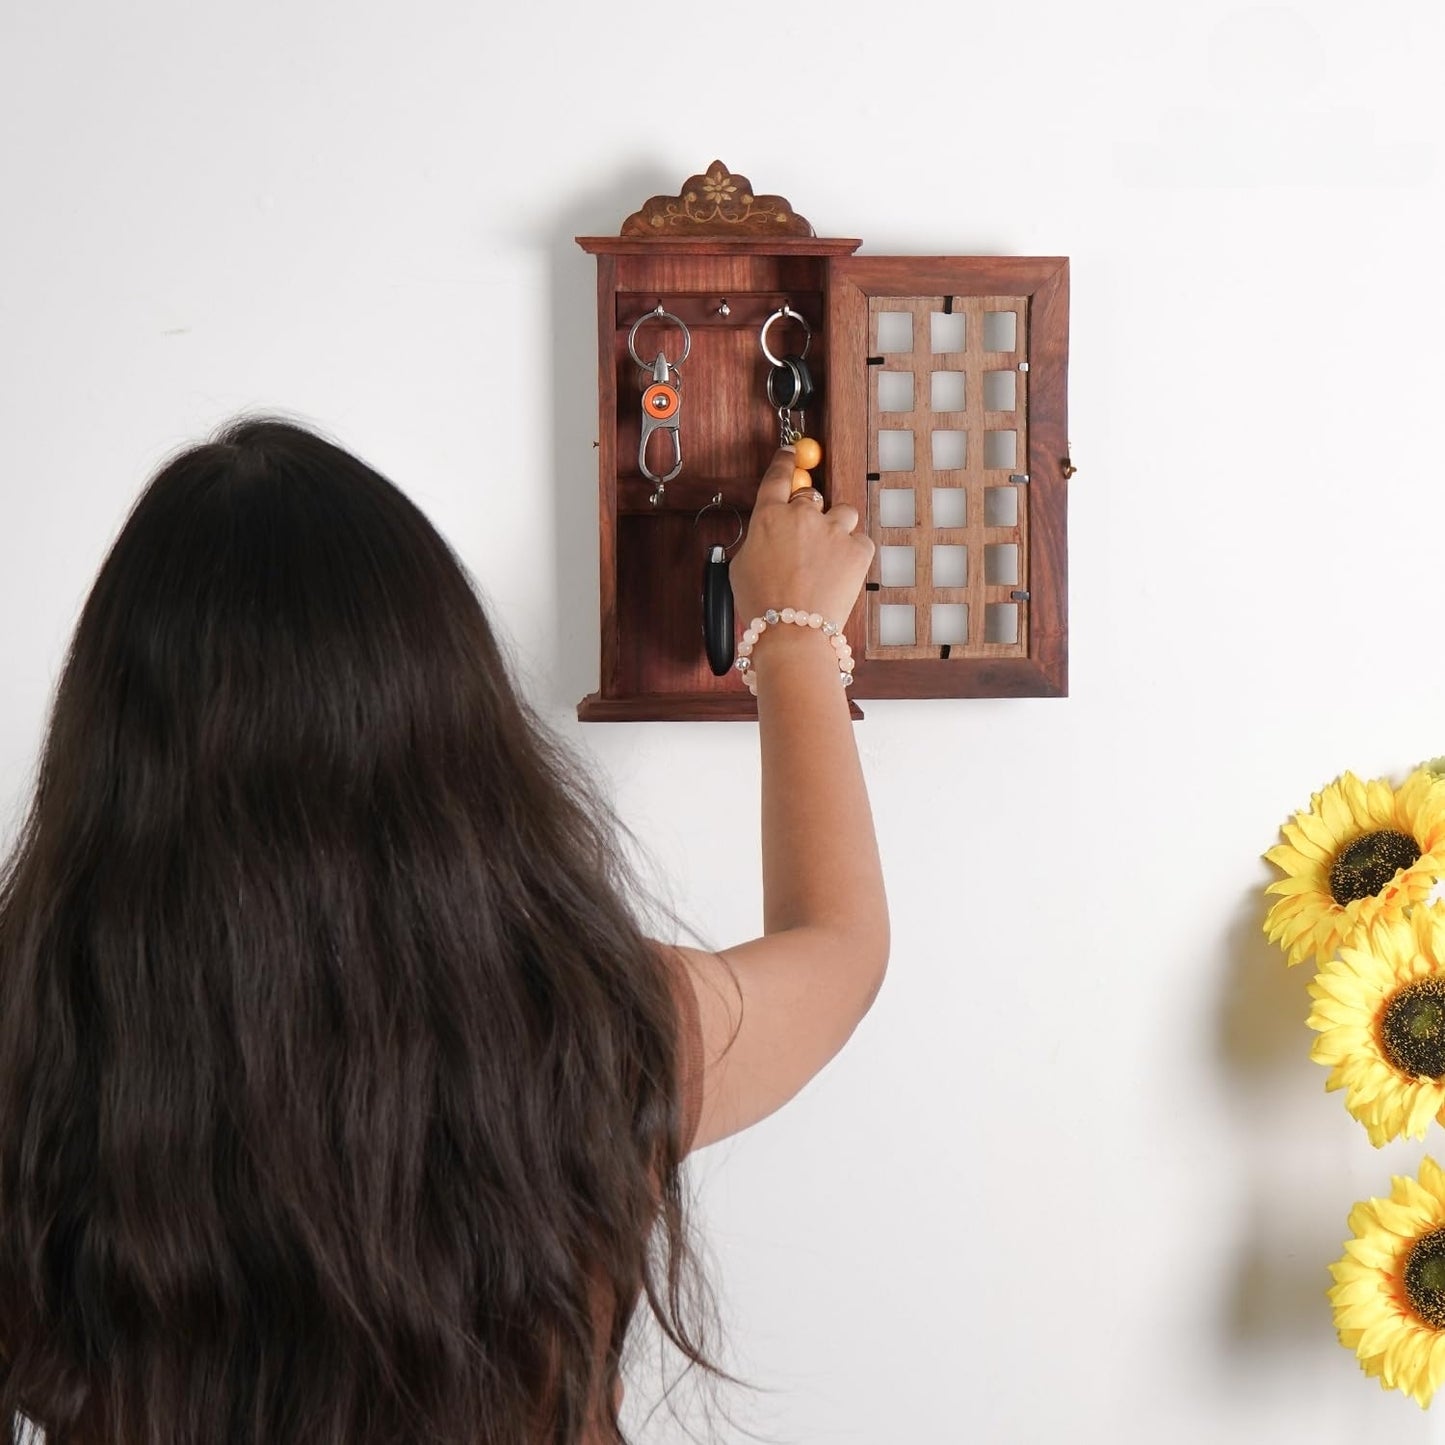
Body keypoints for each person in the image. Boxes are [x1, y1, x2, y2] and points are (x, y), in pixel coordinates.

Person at [0, 417, 887, 1445]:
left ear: (109, 742)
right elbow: (838, 943)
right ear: (448, 727)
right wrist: (789, 635)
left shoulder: (27, 1045)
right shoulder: (594, 1030)